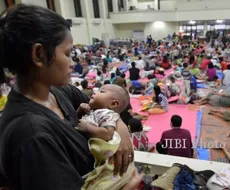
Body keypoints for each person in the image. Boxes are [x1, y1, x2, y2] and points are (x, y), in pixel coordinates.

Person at [0, 4, 135, 190]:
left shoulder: (59, 91)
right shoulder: (32, 135)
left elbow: (103, 108)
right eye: (68, 54)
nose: (73, 63)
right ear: (38, 55)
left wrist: (121, 130)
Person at [76, 84, 135, 189]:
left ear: (113, 104)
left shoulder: (106, 113)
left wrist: (87, 128)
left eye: (101, 92)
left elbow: (107, 133)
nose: (95, 92)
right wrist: (80, 111)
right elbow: (78, 121)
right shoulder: (95, 112)